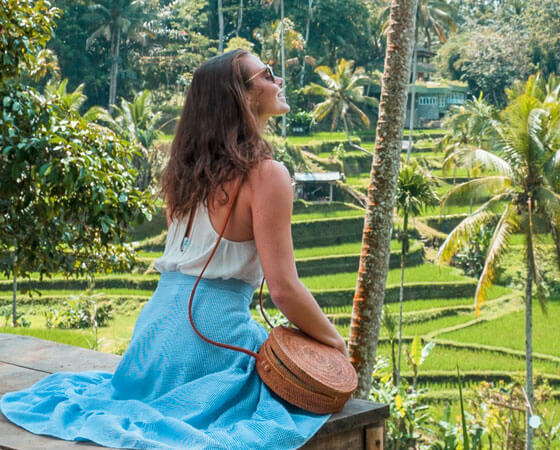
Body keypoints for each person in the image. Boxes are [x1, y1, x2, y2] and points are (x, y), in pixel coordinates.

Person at [0, 49, 347, 449]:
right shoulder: (267, 175)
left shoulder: (184, 173)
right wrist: (333, 344)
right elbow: (284, 289)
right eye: (268, 74)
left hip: (154, 337)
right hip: (211, 336)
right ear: (241, 95)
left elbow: (189, 261)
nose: (278, 80)